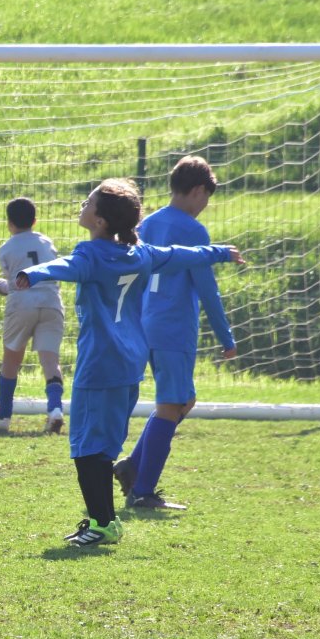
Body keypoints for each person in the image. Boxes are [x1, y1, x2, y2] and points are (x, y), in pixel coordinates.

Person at [16, 178, 243, 547]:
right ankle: (103, 520)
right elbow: (180, 254)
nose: (83, 205)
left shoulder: (91, 256)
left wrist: (32, 273)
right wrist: (218, 252)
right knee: (104, 445)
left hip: (99, 362)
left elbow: (64, 265)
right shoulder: (141, 254)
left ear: (100, 220)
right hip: (130, 362)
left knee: (85, 446)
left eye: (89, 202)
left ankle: (104, 524)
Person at [114, 157, 233, 510]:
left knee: (183, 400)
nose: (205, 205)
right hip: (173, 326)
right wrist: (226, 336)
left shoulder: (147, 223)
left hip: (145, 323)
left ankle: (133, 466)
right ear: (198, 190)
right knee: (171, 404)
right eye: (207, 197)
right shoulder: (193, 231)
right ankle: (143, 491)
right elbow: (207, 288)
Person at [0, 197, 65, 434]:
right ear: (35, 221)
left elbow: (15, 285)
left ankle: (4, 415)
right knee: (50, 361)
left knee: (11, 360)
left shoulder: (6, 249)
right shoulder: (47, 243)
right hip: (51, 302)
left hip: (22, 304)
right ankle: (55, 409)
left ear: (9, 223)